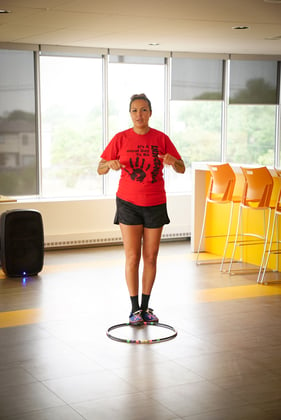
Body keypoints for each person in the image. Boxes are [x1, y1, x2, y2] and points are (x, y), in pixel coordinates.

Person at [97, 93, 185, 325]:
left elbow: (182, 167)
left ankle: (146, 308)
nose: (139, 114)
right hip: (128, 202)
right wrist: (110, 164)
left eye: (144, 110)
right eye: (135, 110)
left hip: (155, 202)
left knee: (151, 256)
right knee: (133, 256)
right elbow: (100, 168)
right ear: (130, 114)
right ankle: (134, 309)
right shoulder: (121, 138)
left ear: (150, 113)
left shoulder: (161, 138)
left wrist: (172, 161)